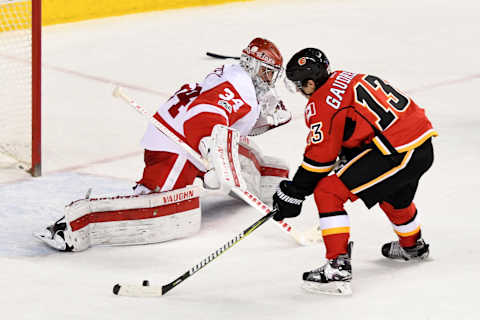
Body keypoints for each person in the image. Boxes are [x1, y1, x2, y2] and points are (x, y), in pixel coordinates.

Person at [35, 38, 292, 252]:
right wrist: (215, 159)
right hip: (177, 146)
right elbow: (204, 114)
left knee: (220, 161)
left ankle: (261, 175)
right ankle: (71, 225)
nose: (269, 80)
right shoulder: (241, 89)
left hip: (178, 135)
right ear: (251, 65)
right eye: (266, 72)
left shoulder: (234, 75)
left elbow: (223, 118)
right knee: (158, 206)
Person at [272, 47, 437, 295]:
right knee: (393, 195)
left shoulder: (322, 102)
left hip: (397, 152)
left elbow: (321, 158)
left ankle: (337, 267)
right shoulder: (347, 77)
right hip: (420, 145)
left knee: (328, 191)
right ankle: (412, 246)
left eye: (299, 85)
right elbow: (363, 121)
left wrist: (295, 192)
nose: (299, 91)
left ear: (310, 82)